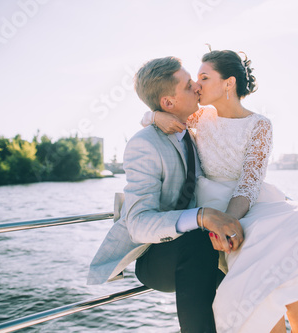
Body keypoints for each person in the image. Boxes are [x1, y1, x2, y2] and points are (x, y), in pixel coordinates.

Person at [141, 50, 298, 333]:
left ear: (228, 83)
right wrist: (154, 115)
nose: (197, 85)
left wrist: (228, 222)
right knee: (261, 264)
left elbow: (249, 184)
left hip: (249, 201)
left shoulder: (260, 125)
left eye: (204, 78)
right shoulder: (198, 116)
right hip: (211, 203)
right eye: (196, 79)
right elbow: (161, 111)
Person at [87, 56, 244, 333]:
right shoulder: (144, 145)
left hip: (199, 250)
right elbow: (138, 223)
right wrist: (201, 217)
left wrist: (153, 115)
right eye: (187, 85)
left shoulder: (194, 126)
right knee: (200, 239)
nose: (197, 86)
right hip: (156, 257)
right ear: (169, 102)